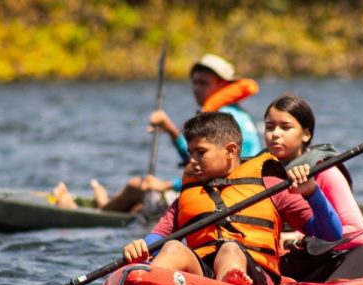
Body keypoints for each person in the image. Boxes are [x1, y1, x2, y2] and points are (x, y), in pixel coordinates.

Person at [121, 111, 343, 285]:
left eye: (201, 152)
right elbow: (158, 237)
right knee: (172, 247)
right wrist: (140, 248)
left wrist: (312, 192)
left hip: (253, 278)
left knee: (229, 249)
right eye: (190, 153)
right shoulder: (189, 195)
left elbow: (331, 234)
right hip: (204, 277)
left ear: (230, 151)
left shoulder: (270, 184)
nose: (192, 161)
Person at [53, 54, 262, 213]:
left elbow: (217, 169)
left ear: (223, 85)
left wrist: (166, 184)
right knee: (139, 206)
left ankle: (96, 212)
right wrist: (170, 129)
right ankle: (105, 203)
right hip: (213, 186)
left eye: (203, 83)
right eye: (194, 82)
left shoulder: (224, 118)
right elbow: (200, 159)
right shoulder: (231, 113)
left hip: (223, 193)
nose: (196, 89)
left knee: (137, 186)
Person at [264, 93, 363, 282]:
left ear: (306, 134)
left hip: (310, 256)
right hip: (270, 260)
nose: (275, 134)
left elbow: (358, 234)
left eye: (285, 127)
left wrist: (299, 238)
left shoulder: (325, 171)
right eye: (270, 127)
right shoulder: (258, 169)